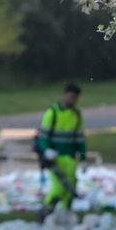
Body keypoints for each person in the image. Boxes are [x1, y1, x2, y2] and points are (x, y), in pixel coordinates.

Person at [36, 82, 87, 213]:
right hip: (54, 159)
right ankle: (46, 212)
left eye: (75, 98)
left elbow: (79, 138)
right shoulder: (52, 113)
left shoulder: (76, 114)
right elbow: (43, 137)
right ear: (64, 95)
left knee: (70, 188)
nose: (72, 100)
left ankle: (65, 213)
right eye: (70, 96)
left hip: (70, 158)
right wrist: (46, 149)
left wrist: (83, 156)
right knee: (58, 188)